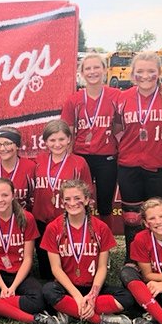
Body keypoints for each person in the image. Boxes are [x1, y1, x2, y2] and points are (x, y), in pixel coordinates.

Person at [115, 51, 162, 260]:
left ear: (159, 73)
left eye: (151, 71)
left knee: (160, 217)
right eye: (140, 72)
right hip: (130, 166)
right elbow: (117, 129)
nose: (145, 76)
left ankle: (161, 258)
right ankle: (134, 259)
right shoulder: (123, 97)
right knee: (131, 218)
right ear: (132, 74)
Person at [0, 178, 64, 324]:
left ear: (13, 195)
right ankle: (33, 319)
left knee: (39, 299)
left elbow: (28, 258)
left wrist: (13, 287)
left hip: (20, 274)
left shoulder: (26, 218)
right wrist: (2, 286)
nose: (0, 200)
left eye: (4, 195)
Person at [41, 180, 134, 324]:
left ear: (86, 199)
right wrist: (77, 297)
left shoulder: (101, 227)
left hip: (93, 286)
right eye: (67, 199)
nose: (73, 203)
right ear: (62, 202)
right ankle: (100, 320)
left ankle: (69, 311)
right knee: (47, 291)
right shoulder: (53, 228)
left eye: (77, 198)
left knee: (128, 297)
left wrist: (93, 295)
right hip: (67, 288)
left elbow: (103, 267)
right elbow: (56, 269)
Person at [61, 53, 119, 230]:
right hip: (81, 157)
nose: (92, 72)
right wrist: (69, 158)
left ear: (104, 70)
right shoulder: (74, 99)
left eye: (96, 67)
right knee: (78, 201)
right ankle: (81, 239)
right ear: (82, 72)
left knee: (105, 205)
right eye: (88, 68)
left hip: (107, 157)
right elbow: (68, 131)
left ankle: (104, 244)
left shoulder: (116, 96)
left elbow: (120, 126)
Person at [32, 119, 92, 280]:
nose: (57, 144)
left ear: (69, 140)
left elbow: (87, 191)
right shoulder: (38, 160)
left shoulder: (79, 163)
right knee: (45, 263)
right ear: (45, 142)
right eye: (52, 140)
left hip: (67, 219)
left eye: (61, 139)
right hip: (41, 219)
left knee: (67, 259)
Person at [0, 127, 36, 210]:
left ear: (17, 146)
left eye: (7, 144)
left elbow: (34, 198)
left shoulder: (30, 167)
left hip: (22, 218)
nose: (2, 148)